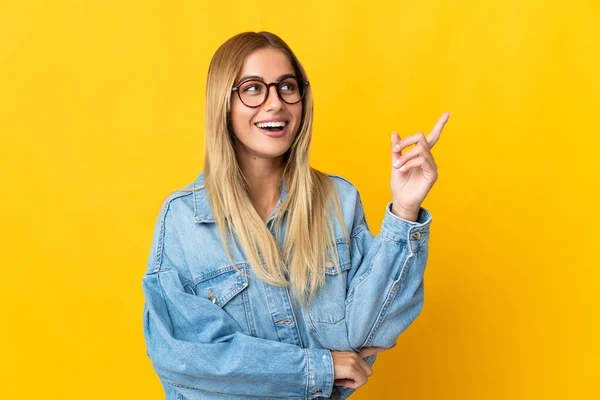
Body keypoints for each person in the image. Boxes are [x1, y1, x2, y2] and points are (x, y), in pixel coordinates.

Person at [142, 31, 450, 400]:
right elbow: (184, 358)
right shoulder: (184, 220)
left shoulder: (338, 200)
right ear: (223, 103)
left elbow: (370, 332)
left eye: (287, 87)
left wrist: (404, 209)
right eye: (253, 88)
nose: (275, 103)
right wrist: (320, 367)